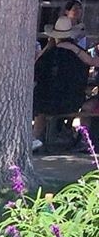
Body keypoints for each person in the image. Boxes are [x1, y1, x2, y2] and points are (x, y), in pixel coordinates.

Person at [33, 16, 95, 151]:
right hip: (73, 101)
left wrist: (47, 48)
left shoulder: (48, 55)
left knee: (40, 107)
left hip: (47, 101)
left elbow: (36, 71)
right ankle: (76, 137)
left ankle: (35, 138)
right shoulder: (79, 54)